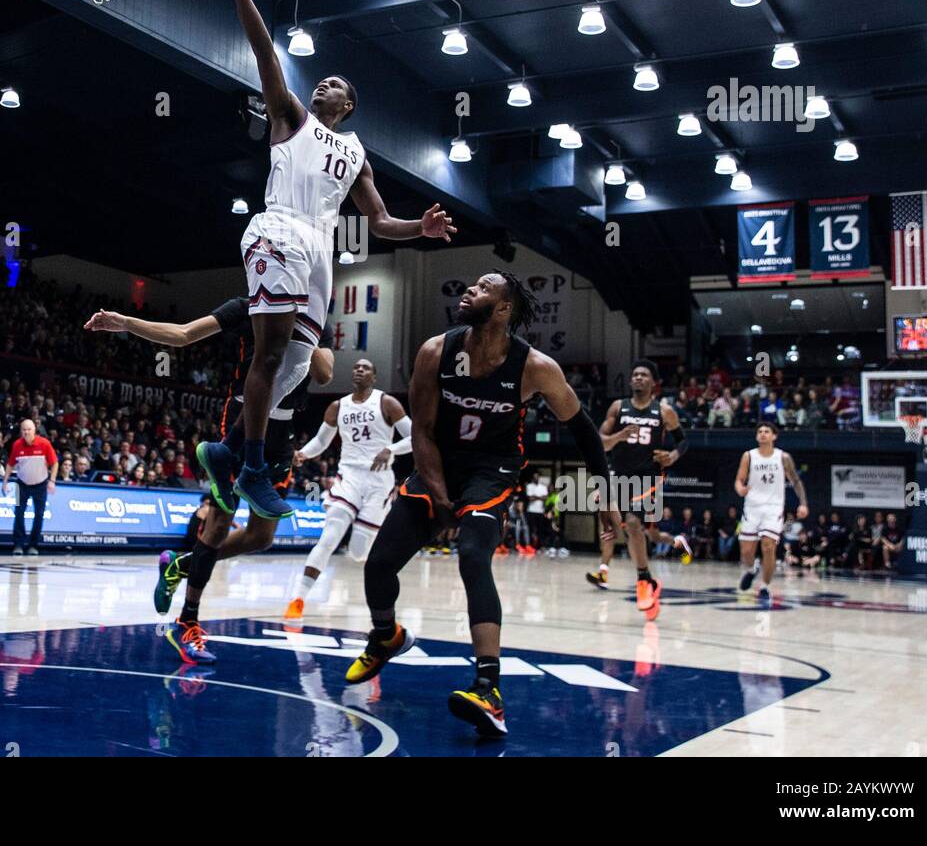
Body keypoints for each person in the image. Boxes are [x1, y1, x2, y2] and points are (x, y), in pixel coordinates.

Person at [206, 0, 455, 523]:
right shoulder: (291, 116)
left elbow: (378, 223)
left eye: (336, 85)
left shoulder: (357, 152)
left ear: (348, 106)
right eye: (321, 80)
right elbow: (265, 52)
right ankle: (251, 467)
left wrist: (418, 229)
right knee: (269, 357)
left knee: (296, 366)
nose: (324, 83)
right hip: (279, 230)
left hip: (322, 248)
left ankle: (226, 449)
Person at [345, 273, 612, 740]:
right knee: (379, 564)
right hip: (437, 465)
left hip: (493, 470)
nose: (469, 290)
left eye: (483, 287)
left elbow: (585, 430)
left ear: (504, 309)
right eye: (471, 285)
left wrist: (607, 493)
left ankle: (488, 689)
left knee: (473, 556)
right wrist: (441, 496)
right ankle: (385, 635)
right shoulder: (435, 351)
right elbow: (422, 431)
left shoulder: (536, 367)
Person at [85, 296, 333, 664]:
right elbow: (184, 334)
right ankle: (188, 622)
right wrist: (126, 322)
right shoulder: (249, 305)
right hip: (243, 419)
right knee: (217, 527)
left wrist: (301, 328)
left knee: (261, 537)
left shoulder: (315, 317)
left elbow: (325, 373)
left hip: (284, 430)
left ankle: (181, 564)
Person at [285, 357, 411, 619]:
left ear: (374, 377)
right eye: (356, 366)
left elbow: (416, 437)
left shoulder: (387, 402)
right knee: (329, 538)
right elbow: (321, 441)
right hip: (349, 477)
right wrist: (303, 454)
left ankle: (376, 551)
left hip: (379, 481)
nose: (359, 370)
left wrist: (391, 449)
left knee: (357, 551)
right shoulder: (336, 407)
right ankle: (298, 598)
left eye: (365, 367)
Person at [585, 361, 691, 618]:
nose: (638, 378)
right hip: (619, 477)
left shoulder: (664, 412)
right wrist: (618, 437)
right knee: (627, 530)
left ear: (653, 382)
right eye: (635, 375)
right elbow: (600, 442)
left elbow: (684, 441)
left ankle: (643, 580)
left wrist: (673, 456)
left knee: (633, 523)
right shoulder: (617, 407)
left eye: (644, 375)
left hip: (649, 477)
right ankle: (648, 577)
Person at [733, 422, 807, 600]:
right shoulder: (749, 456)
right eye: (760, 431)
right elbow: (739, 480)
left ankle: (765, 586)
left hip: (773, 508)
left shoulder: (783, 457)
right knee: (746, 551)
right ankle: (751, 570)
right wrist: (740, 489)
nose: (763, 434)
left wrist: (803, 503)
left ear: (774, 436)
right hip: (752, 507)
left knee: (768, 546)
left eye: (767, 431)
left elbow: (796, 481)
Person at [3, 419, 58, 557]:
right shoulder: (17, 445)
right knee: (18, 513)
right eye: (24, 429)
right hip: (21, 484)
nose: (26, 432)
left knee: (39, 515)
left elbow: (55, 463)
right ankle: (18, 545)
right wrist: (5, 481)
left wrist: (52, 481)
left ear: (34, 430)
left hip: (41, 484)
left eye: (29, 429)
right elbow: (10, 464)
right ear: (21, 431)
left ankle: (33, 545)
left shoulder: (44, 444)